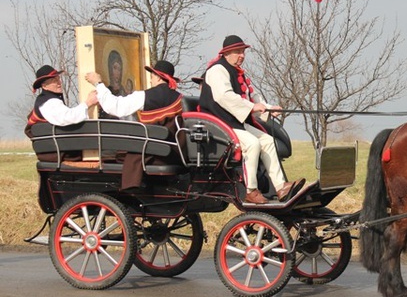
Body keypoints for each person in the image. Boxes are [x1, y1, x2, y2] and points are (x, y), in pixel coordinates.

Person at [199, 35, 304, 204]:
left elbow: (251, 96)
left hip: (233, 122)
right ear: (226, 53)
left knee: (268, 140)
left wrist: (268, 109)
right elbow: (224, 97)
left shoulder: (237, 72)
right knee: (252, 144)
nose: (242, 55)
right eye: (238, 52)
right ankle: (250, 190)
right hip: (218, 122)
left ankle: (281, 187)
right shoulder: (217, 70)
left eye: (243, 52)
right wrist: (252, 108)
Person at [86, 60, 183, 190]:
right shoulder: (180, 98)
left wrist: (98, 84)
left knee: (120, 154)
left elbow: (116, 107)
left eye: (152, 76)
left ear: (159, 77)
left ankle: (128, 187)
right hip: (175, 154)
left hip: (154, 153)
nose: (150, 80)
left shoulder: (146, 96)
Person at [25, 64, 98, 140]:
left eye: (58, 79)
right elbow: (68, 117)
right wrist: (88, 103)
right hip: (58, 149)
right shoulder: (48, 103)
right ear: (44, 86)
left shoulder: (48, 99)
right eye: (54, 81)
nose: (59, 83)